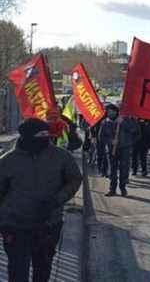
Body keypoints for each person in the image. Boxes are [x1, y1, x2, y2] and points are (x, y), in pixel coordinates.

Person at [0, 118, 83, 282]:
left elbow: (74, 179)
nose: (45, 139)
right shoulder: (8, 161)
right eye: (40, 135)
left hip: (48, 224)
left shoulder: (61, 157)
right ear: (27, 137)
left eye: (47, 134)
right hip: (15, 225)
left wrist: (57, 200)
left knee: (43, 269)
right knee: (17, 271)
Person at [107, 111, 140, 197]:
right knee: (113, 170)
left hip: (125, 149)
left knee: (124, 169)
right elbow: (102, 135)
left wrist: (130, 143)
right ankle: (112, 189)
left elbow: (136, 132)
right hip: (113, 149)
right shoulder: (110, 119)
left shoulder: (131, 120)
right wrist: (111, 141)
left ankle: (123, 188)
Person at [96, 104, 118, 177]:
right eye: (109, 111)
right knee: (104, 157)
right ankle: (104, 172)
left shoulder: (119, 121)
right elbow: (100, 135)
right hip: (106, 144)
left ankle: (110, 173)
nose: (111, 113)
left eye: (113, 111)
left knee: (112, 160)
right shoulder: (104, 121)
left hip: (118, 145)